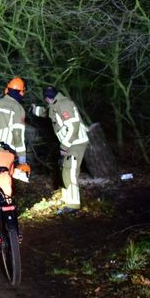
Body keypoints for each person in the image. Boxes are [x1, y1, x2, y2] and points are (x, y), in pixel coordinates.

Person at [42, 85, 89, 213]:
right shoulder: (57, 103)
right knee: (66, 172)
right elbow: (48, 113)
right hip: (71, 142)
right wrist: (35, 110)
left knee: (70, 172)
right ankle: (69, 201)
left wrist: (64, 146)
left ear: (47, 98)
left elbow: (73, 127)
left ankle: (73, 206)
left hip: (75, 142)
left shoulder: (63, 104)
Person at [0, 77, 32, 177]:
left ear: (6, 90)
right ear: (22, 93)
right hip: (5, 152)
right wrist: (22, 159)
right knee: (3, 183)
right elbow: (17, 135)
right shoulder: (17, 108)